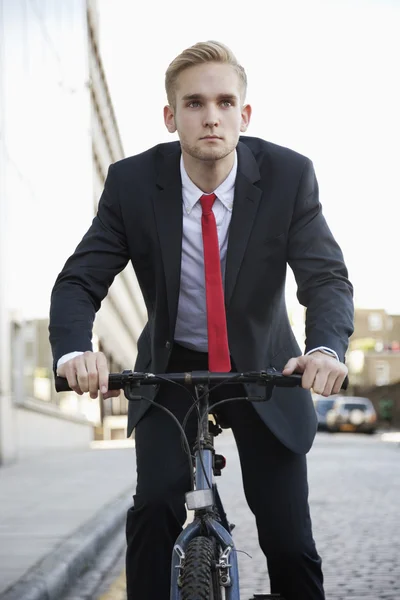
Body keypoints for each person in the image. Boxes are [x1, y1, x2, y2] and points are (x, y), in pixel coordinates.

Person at [49, 40, 354, 600]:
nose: (210, 115)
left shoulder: (289, 177)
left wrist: (325, 350)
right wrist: (73, 352)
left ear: (244, 113)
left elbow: (326, 279)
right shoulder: (132, 184)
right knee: (154, 511)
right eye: (193, 103)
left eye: (224, 101)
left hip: (266, 369)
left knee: (290, 541)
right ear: (171, 117)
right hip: (173, 367)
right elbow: (80, 280)